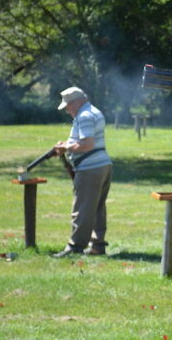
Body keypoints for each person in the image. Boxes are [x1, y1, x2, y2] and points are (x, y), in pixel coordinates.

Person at [52, 87, 113, 257]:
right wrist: (69, 144)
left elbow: (87, 144)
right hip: (102, 165)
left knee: (83, 208)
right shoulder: (94, 112)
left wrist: (65, 147)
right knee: (97, 208)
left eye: (68, 106)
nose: (66, 110)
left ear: (77, 102)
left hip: (90, 168)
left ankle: (75, 246)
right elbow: (85, 141)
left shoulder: (84, 116)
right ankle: (97, 244)